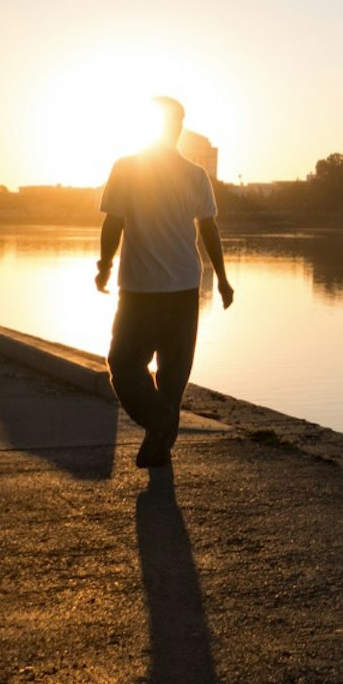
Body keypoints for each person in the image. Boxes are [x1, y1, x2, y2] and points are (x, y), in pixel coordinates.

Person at [95, 97, 234, 468]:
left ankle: (158, 432)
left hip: (143, 290)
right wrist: (220, 279)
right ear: (178, 127)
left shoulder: (126, 169)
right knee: (171, 376)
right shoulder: (194, 175)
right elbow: (209, 230)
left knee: (123, 366)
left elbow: (113, 224)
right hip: (182, 290)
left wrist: (105, 266)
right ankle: (161, 432)